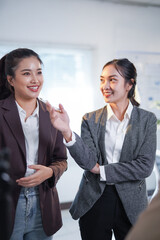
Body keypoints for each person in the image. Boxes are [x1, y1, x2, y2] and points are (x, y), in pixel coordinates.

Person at [46, 58, 157, 240]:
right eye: (102, 79)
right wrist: (66, 131)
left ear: (129, 84)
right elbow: (89, 162)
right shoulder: (90, 119)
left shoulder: (147, 120)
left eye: (112, 80)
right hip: (95, 200)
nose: (105, 85)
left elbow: (144, 167)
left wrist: (101, 170)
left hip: (131, 203)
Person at [0, 48, 67, 240]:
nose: (35, 79)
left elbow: (61, 159)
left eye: (39, 72)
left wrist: (50, 172)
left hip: (43, 203)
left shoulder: (51, 114)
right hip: (8, 204)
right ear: (11, 80)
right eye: (26, 73)